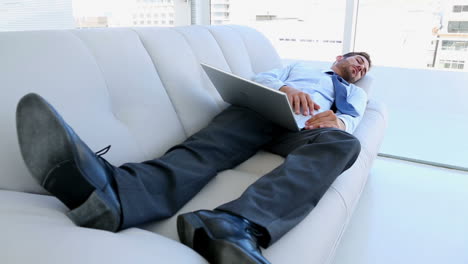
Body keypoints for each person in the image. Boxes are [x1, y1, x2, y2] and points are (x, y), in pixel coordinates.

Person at [16, 52, 371, 264]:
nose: (360, 68)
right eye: (358, 60)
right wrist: (287, 89)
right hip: (267, 109)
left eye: (365, 68)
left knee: (344, 145)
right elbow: (261, 79)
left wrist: (338, 119)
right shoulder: (298, 68)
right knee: (211, 145)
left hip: (306, 130)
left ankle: (235, 224)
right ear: (339, 58)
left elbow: (353, 120)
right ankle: (117, 196)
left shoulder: (353, 94)